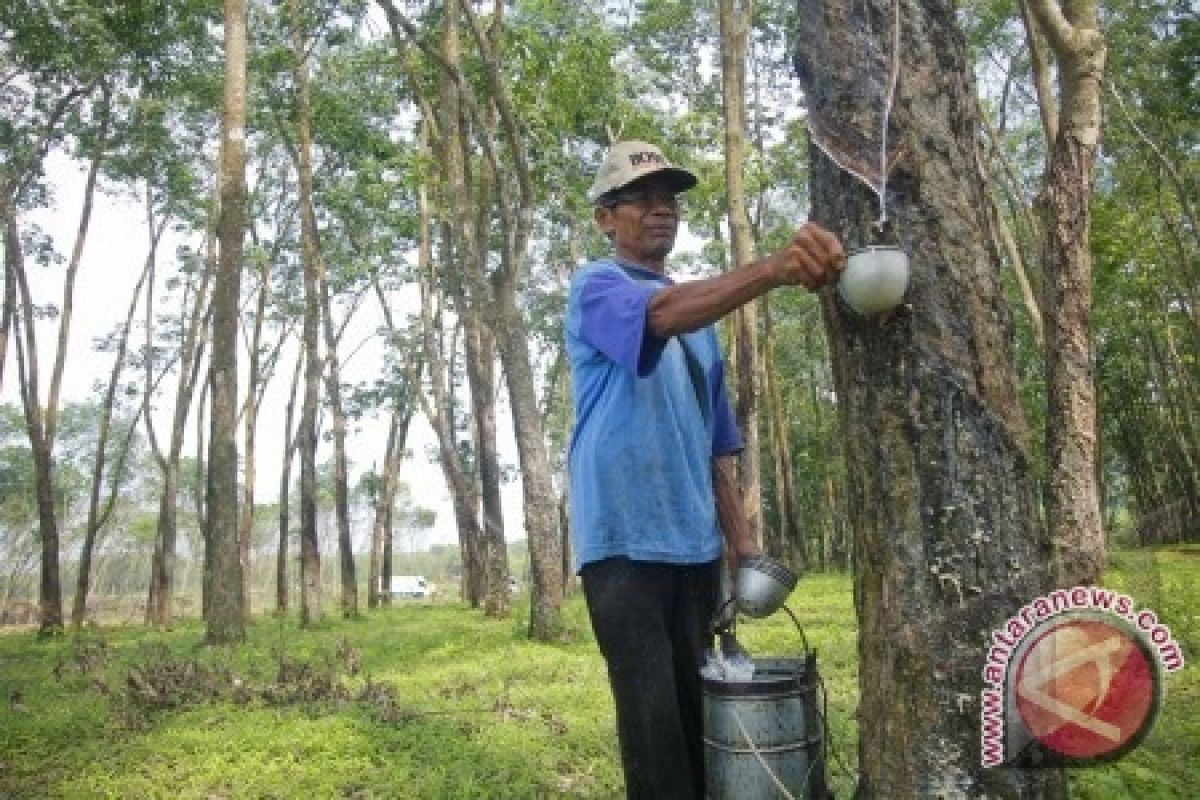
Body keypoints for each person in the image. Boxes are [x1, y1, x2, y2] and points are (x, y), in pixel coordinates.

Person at [564, 140, 845, 799]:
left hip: (694, 546)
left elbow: (715, 445)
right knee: (653, 720)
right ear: (606, 216)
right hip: (624, 541)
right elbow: (660, 316)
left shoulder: (705, 324)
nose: (660, 210)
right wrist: (775, 269)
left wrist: (743, 546)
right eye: (641, 198)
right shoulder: (597, 287)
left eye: (670, 199)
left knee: (708, 710)